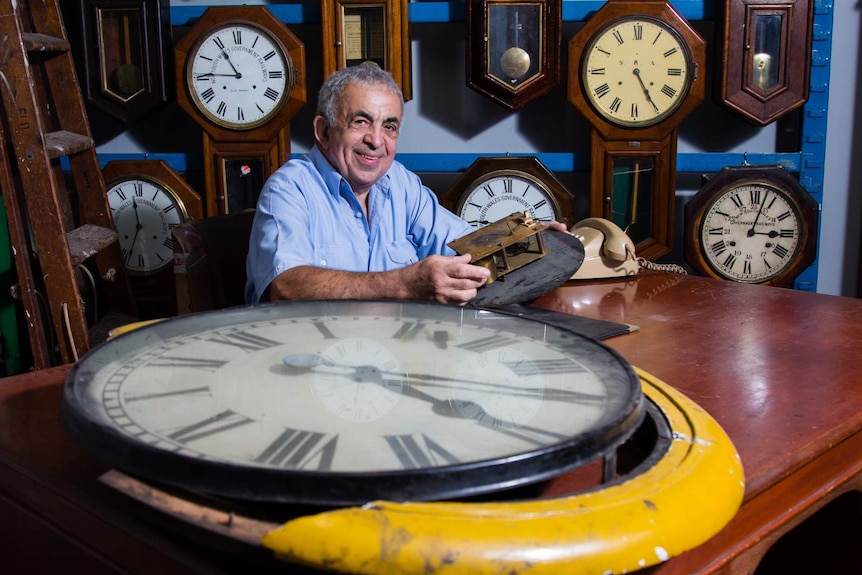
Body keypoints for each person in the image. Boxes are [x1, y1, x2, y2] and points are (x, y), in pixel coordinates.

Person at [245, 65, 565, 305]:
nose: (376, 141)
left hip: (397, 356)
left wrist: (524, 237)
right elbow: (285, 288)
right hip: (312, 366)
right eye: (360, 122)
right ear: (323, 131)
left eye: (390, 126)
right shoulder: (288, 190)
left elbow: (464, 245)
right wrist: (404, 284)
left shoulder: (398, 182)